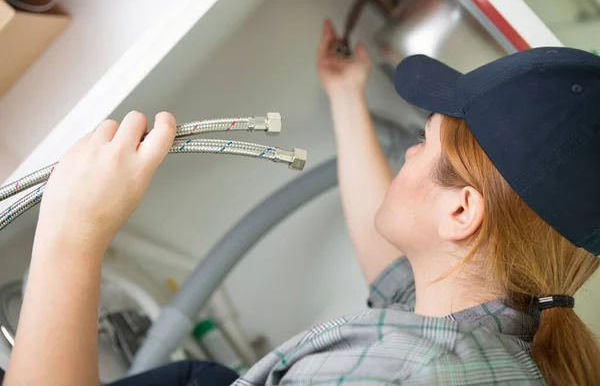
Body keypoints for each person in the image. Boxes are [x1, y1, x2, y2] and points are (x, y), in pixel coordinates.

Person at [4, 19, 600, 385]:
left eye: (423, 142)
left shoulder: (403, 375)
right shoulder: (503, 335)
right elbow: (394, 275)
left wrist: (71, 234)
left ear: (462, 212)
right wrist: (345, 95)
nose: (409, 155)